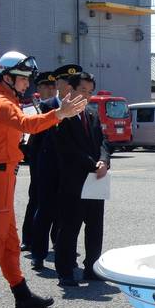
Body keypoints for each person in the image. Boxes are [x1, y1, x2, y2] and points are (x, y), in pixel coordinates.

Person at [0, 51, 87, 308]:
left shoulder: (4, 99)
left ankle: (21, 294)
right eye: (22, 79)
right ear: (7, 77)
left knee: (8, 242)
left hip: (1, 179)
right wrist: (60, 114)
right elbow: (27, 124)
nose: (27, 83)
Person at [54, 71, 111, 287]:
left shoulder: (92, 114)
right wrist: (92, 164)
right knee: (70, 226)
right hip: (73, 181)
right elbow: (67, 150)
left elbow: (102, 142)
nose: (86, 96)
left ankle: (92, 267)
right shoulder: (62, 116)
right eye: (82, 90)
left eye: (90, 91)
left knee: (95, 225)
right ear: (71, 90)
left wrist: (104, 160)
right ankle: (65, 271)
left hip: (96, 179)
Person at [30, 64, 82, 271]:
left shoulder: (80, 107)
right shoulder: (46, 106)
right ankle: (38, 253)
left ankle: (63, 253)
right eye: (66, 82)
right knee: (45, 212)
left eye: (73, 83)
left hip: (70, 170)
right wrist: (36, 170)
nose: (70, 87)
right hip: (48, 168)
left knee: (66, 215)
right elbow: (36, 142)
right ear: (57, 84)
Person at [21, 71, 56, 252]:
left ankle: (56, 239)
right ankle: (28, 238)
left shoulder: (59, 108)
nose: (50, 90)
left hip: (56, 160)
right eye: (46, 87)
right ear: (38, 89)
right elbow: (24, 138)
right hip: (37, 159)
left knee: (57, 202)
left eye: (53, 87)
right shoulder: (31, 109)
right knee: (35, 199)